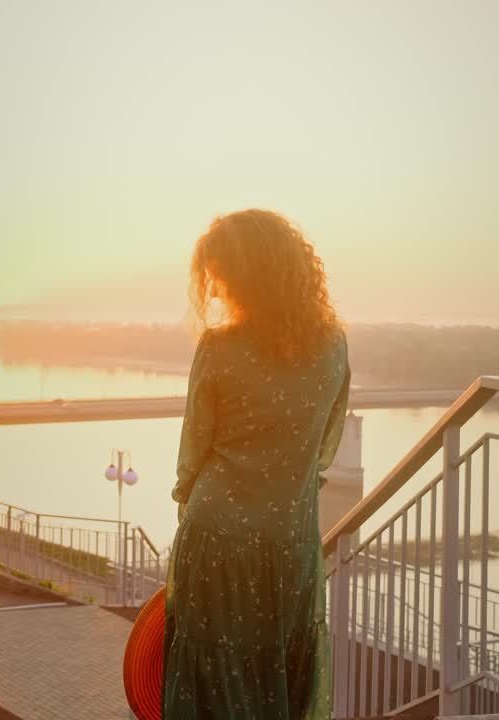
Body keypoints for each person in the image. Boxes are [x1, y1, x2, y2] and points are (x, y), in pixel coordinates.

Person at [163, 209, 350, 719]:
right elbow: (323, 449)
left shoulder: (219, 348)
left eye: (220, 275)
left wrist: (185, 504)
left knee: (215, 683)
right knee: (280, 674)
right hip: (291, 544)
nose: (217, 289)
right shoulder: (333, 346)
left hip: (218, 542)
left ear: (241, 277)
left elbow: (193, 452)